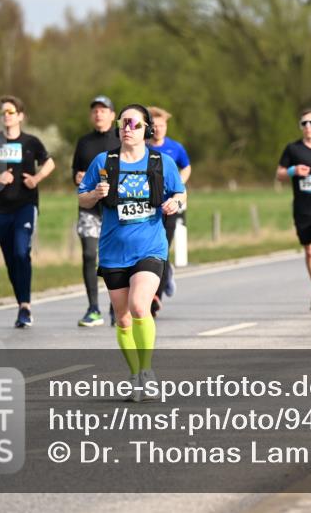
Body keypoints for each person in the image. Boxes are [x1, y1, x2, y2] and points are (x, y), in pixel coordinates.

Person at [78, 105, 186, 401]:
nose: (127, 127)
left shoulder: (162, 162)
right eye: (123, 122)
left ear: (146, 129)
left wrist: (175, 203)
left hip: (150, 246)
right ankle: (135, 373)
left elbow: (179, 192)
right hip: (113, 250)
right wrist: (94, 195)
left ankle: (148, 371)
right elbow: (83, 199)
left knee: (140, 306)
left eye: (134, 123)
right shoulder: (104, 161)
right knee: (123, 319)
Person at [0, 96, 56, 327]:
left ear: (20, 115)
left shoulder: (31, 142)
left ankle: (25, 306)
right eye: (3, 113)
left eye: (11, 112)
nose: (6, 116)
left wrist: (37, 178)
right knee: (11, 258)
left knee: (21, 252)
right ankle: (21, 303)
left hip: (25, 205)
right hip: (0, 207)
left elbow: (49, 162)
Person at [276, 109, 311, 311]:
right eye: (304, 124)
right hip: (302, 208)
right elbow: (279, 174)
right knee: (309, 252)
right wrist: (293, 171)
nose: (308, 127)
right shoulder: (293, 149)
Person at [72, 96, 120, 327]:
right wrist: (78, 177)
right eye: (95, 111)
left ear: (112, 115)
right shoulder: (84, 142)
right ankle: (93, 308)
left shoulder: (121, 140)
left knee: (113, 259)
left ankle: (115, 306)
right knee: (90, 255)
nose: (98, 114)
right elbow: (76, 174)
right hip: (90, 207)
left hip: (115, 210)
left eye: (103, 110)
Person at [146, 106, 192, 315]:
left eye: (162, 126)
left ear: (166, 127)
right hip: (147, 209)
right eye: (154, 126)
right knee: (148, 253)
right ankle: (155, 286)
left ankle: (156, 297)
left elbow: (187, 166)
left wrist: (178, 186)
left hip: (169, 208)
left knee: (162, 251)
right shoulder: (142, 148)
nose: (158, 129)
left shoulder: (175, 148)